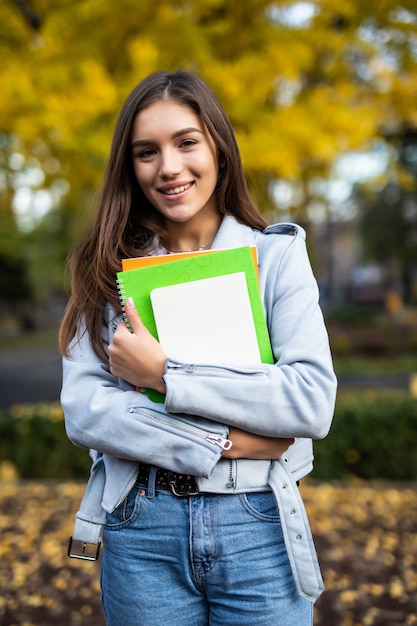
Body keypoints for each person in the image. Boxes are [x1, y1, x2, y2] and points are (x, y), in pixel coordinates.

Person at [59, 69, 337, 626]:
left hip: (257, 524)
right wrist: (231, 441)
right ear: (129, 166)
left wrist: (166, 376)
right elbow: (87, 412)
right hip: (141, 527)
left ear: (219, 148)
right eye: (146, 151)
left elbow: (309, 403)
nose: (169, 167)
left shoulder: (278, 257)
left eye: (187, 142)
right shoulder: (103, 269)